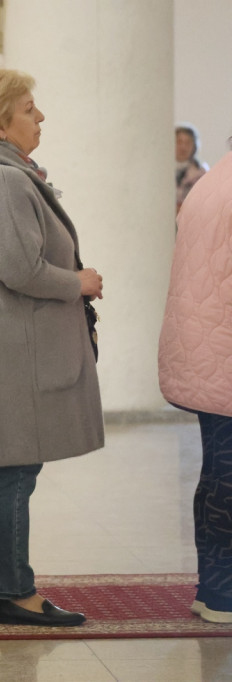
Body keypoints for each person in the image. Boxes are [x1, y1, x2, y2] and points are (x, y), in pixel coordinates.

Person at [0, 66, 104, 627]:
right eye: (29, 109)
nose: (40, 118)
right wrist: (77, 282)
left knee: (13, 462)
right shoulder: (3, 180)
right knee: (15, 469)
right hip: (12, 344)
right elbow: (18, 267)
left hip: (8, 340)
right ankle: (14, 591)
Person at [158, 137, 232, 624]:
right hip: (222, 351)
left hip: (207, 352)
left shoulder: (212, 182)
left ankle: (215, 588)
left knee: (219, 473)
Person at [176, 123, 208, 214]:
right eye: (179, 141)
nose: (183, 147)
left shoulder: (201, 171)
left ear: (194, 145)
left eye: (188, 142)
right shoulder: (161, 169)